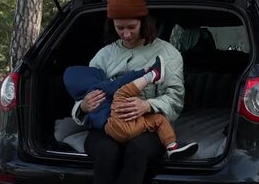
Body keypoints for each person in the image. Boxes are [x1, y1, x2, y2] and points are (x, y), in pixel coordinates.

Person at [70, 0, 186, 184]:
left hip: (145, 124)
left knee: (137, 151)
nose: (126, 33)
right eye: (119, 28)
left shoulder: (167, 54)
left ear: (144, 21)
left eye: (131, 27)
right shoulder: (104, 55)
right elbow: (82, 94)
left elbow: (176, 98)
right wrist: (83, 107)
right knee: (106, 153)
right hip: (107, 125)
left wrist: (148, 105)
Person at [63, 56, 198, 158]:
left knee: (157, 118)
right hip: (118, 123)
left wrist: (86, 109)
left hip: (115, 131)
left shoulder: (88, 101)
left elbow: (89, 122)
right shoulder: (98, 88)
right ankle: (152, 75)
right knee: (121, 92)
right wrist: (142, 72)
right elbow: (119, 82)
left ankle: (172, 147)